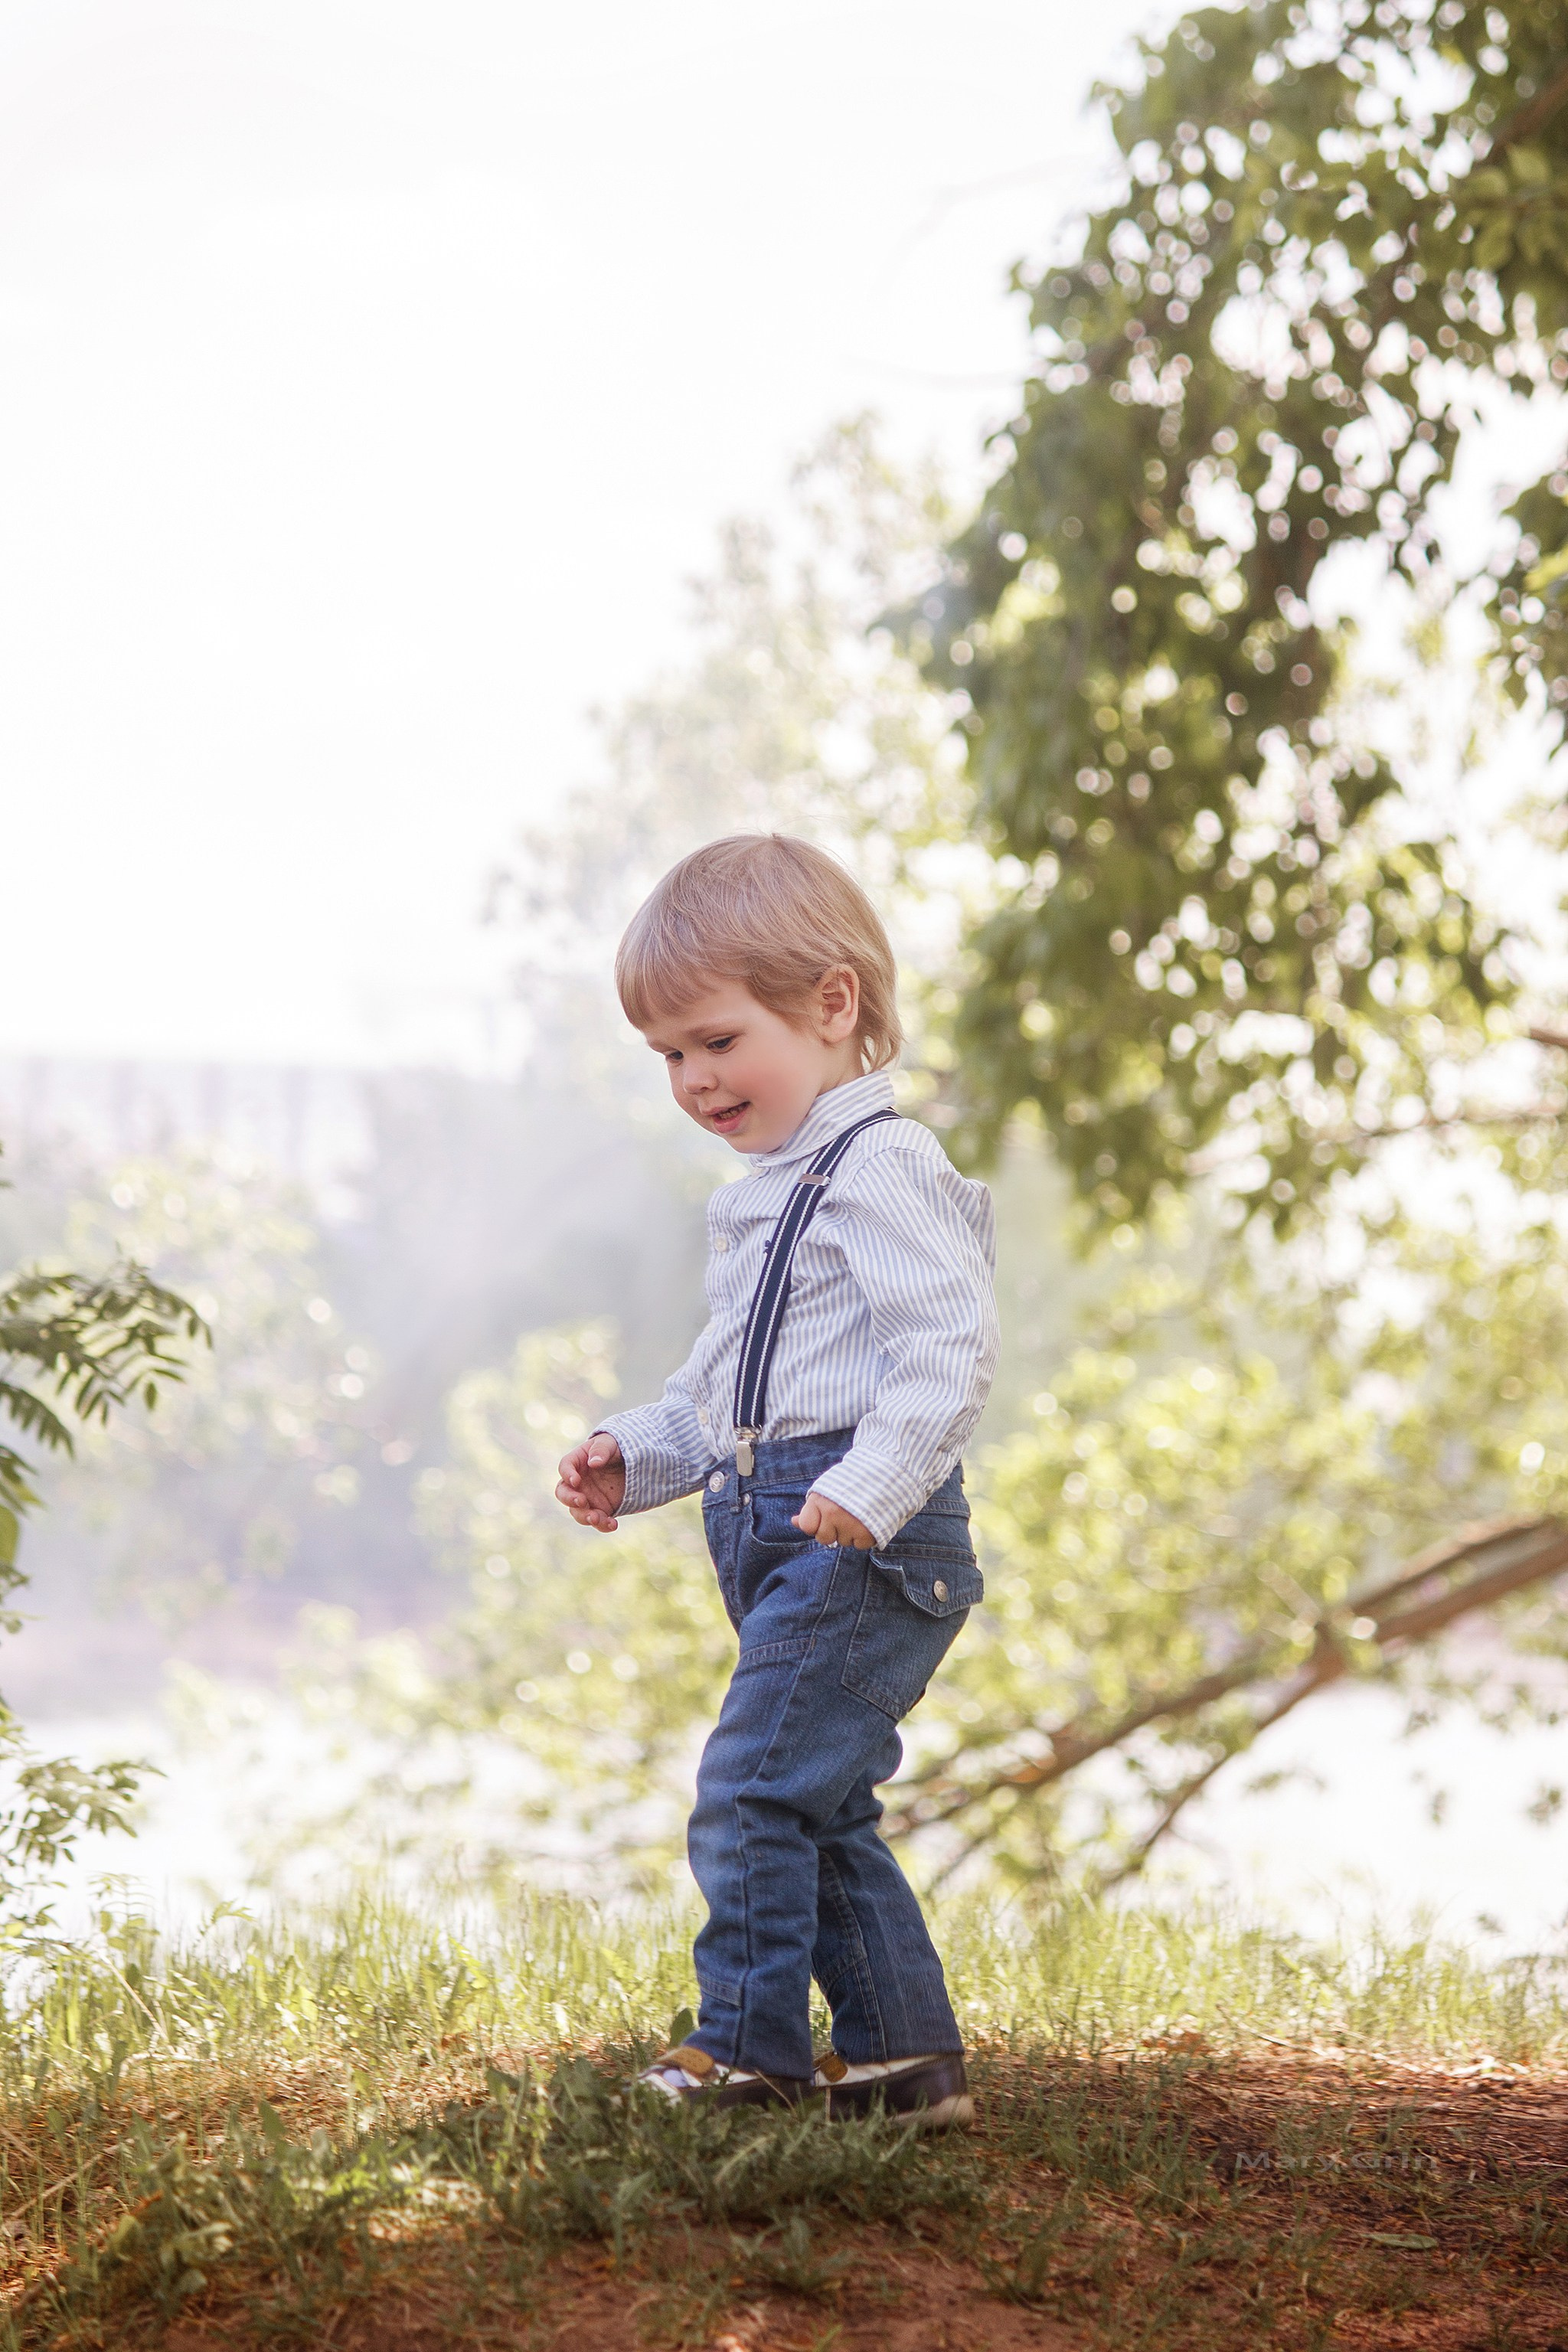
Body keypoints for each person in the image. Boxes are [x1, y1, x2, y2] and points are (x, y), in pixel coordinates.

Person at [554, 834, 998, 2126]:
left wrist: (881, 1480)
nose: (694, 1080)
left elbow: (948, 1346)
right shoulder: (765, 1194)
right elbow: (722, 1394)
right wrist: (632, 1455)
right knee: (818, 1798)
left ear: (832, 1004)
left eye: (716, 1040)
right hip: (771, 1519)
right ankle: (906, 2064)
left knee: (750, 1783)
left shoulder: (885, 1167)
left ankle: (746, 2049)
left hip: (863, 1535)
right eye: (670, 1058)